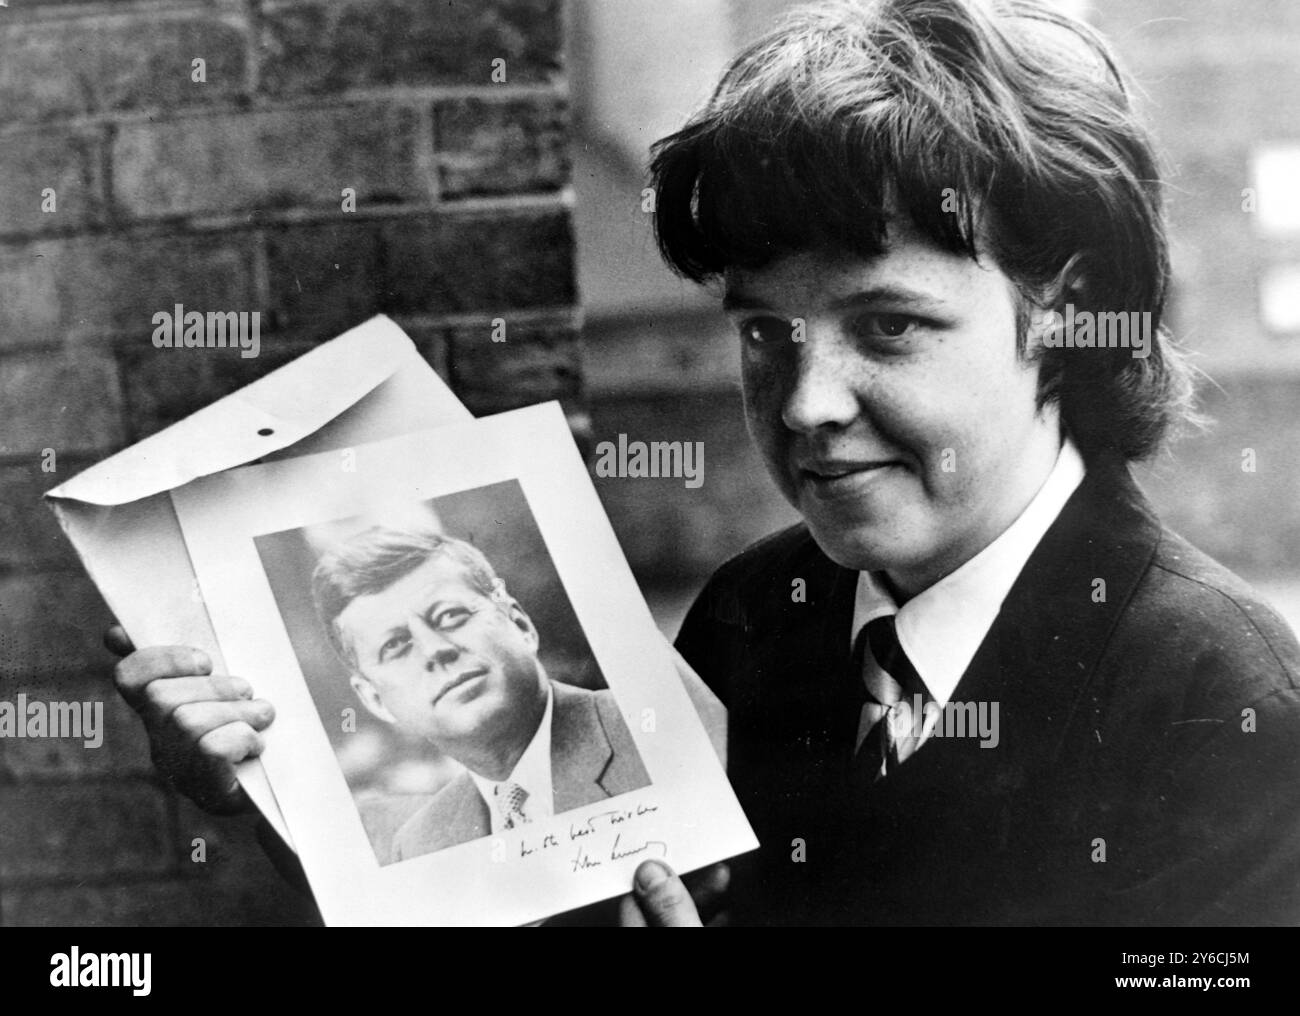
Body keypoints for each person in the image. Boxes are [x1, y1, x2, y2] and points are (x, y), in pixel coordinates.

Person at [111, 0, 1300, 926]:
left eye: (886, 325)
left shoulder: (1218, 699)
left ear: (1062, 312)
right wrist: (268, 784)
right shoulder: (751, 618)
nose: (807, 402)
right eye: (762, 332)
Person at [309, 526, 650, 860]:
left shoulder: (647, 731)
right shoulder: (419, 846)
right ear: (375, 701)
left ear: (520, 626)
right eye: (396, 645)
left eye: (450, 616)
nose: (434, 650)